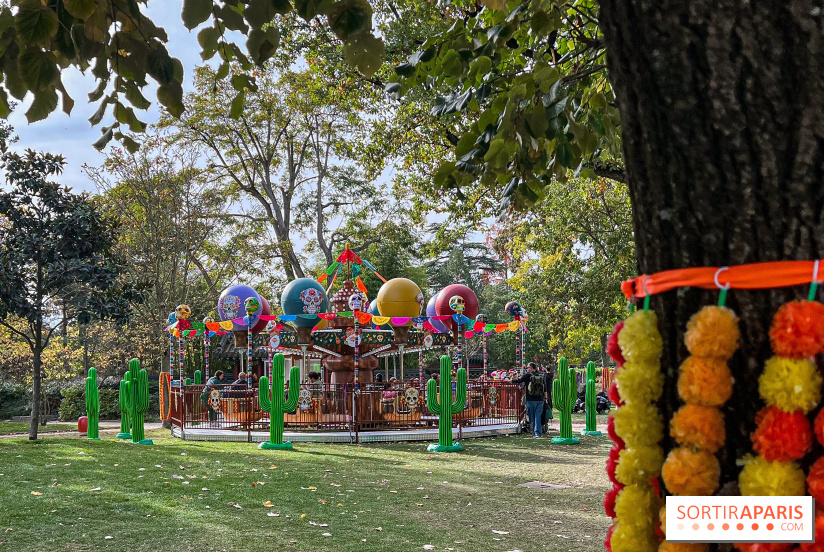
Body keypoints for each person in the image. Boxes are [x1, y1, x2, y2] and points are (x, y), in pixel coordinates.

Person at [513, 362, 548, 438]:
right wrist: (545, 398)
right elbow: (545, 389)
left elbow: (518, 380)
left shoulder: (527, 376)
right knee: (538, 416)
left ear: (531, 368)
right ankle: (538, 433)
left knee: (532, 417)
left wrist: (510, 380)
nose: (527, 369)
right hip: (540, 400)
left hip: (530, 399)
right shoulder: (541, 376)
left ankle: (533, 432)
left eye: (528, 367)